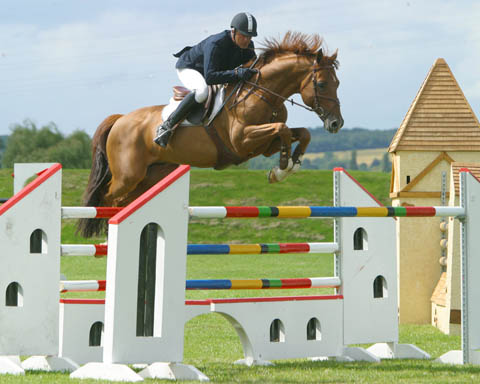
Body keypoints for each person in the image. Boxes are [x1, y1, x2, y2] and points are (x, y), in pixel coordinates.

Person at [154, 12, 259, 147]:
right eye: (243, 35)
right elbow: (210, 77)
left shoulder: (248, 47)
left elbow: (253, 69)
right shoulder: (216, 43)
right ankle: (166, 126)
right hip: (190, 68)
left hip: (212, 71)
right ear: (233, 31)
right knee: (201, 91)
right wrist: (237, 73)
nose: (247, 40)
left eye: (250, 36)